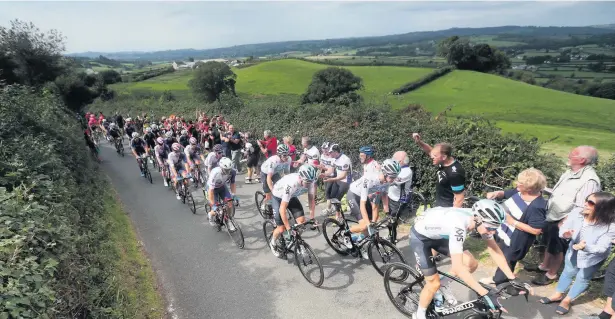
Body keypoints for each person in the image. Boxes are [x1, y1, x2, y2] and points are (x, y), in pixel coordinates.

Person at [410, 199, 523, 319]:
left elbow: (494, 250)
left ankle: (443, 285)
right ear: (477, 220)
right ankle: (419, 314)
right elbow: (457, 268)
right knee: (433, 283)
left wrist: (512, 278)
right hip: (421, 237)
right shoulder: (459, 227)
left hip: (439, 232)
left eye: (496, 227)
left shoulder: (479, 219)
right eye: (490, 227)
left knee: (471, 263)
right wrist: (485, 293)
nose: (493, 231)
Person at [529, 146, 601, 286]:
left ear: (582, 160)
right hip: (554, 215)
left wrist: (566, 223)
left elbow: (583, 207)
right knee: (550, 243)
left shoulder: (589, 180)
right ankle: (544, 266)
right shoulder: (570, 172)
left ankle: (551, 274)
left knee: (557, 248)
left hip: (564, 220)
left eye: (573, 153)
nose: (569, 154)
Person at [539, 192, 615, 315]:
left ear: (602, 207)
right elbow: (564, 229)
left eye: (590, 203)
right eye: (586, 200)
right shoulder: (576, 213)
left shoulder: (610, 226)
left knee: (583, 277)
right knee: (568, 271)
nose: (585, 204)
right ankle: (558, 294)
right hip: (573, 250)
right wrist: (565, 234)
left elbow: (602, 248)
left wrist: (585, 247)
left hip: (593, 257)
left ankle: (567, 300)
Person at [480, 168, 548, 285]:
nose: (517, 184)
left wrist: (512, 221)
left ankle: (500, 282)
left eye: (520, 183)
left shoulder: (537, 206)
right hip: (502, 232)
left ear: (529, 188)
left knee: (507, 260)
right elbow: (506, 193)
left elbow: (536, 230)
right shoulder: (520, 191)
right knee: (500, 255)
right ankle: (504, 279)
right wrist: (496, 193)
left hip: (514, 240)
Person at [346, 159, 400, 258]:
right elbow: (362, 206)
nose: (394, 179)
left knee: (373, 223)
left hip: (366, 197)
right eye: (392, 176)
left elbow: (381, 200)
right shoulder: (370, 180)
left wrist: (388, 214)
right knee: (364, 225)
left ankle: (359, 241)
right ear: (385, 173)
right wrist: (367, 224)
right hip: (354, 196)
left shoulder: (386, 182)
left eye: (395, 176)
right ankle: (345, 233)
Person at [269, 164, 318, 258]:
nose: (309, 184)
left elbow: (311, 199)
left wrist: (312, 217)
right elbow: (282, 209)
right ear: (301, 177)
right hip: (278, 197)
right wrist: (288, 229)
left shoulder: (311, 181)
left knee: (302, 222)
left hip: (292, 197)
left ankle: (295, 241)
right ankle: (273, 243)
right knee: (281, 228)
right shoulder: (291, 184)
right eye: (307, 182)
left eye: (311, 182)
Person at [411, 133, 465, 208]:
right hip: (440, 205)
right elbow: (430, 151)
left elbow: (459, 198)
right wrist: (419, 142)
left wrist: (452, 215)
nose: (432, 157)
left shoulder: (455, 173)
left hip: (448, 208)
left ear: (444, 157)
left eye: (435, 156)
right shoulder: (442, 161)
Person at [387, 151, 413, 244]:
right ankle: (391, 235)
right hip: (391, 197)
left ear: (401, 161)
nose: (393, 162)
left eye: (395, 160)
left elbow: (392, 180)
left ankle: (392, 241)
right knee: (390, 219)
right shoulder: (398, 168)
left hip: (399, 200)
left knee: (393, 221)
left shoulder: (407, 171)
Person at [322, 144, 352, 217]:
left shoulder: (345, 159)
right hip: (338, 179)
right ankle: (338, 214)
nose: (329, 154)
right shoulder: (333, 158)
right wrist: (324, 174)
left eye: (330, 152)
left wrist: (332, 179)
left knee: (337, 199)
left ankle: (338, 217)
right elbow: (330, 171)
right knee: (332, 197)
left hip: (346, 181)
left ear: (335, 152)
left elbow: (343, 176)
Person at [206, 157, 237, 227]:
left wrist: (234, 195)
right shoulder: (215, 173)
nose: (228, 171)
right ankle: (210, 214)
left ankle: (228, 220)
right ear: (221, 167)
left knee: (229, 203)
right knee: (215, 210)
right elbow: (210, 191)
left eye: (229, 169)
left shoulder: (233, 171)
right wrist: (213, 205)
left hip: (222, 187)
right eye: (226, 170)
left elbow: (233, 183)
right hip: (212, 189)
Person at [260, 144, 292, 212]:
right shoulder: (274, 161)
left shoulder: (288, 160)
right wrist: (272, 190)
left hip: (275, 173)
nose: (286, 157)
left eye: (288, 154)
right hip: (265, 173)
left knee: (280, 188)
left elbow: (287, 174)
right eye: (284, 155)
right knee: (269, 194)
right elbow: (269, 177)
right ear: (279, 155)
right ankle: (264, 203)